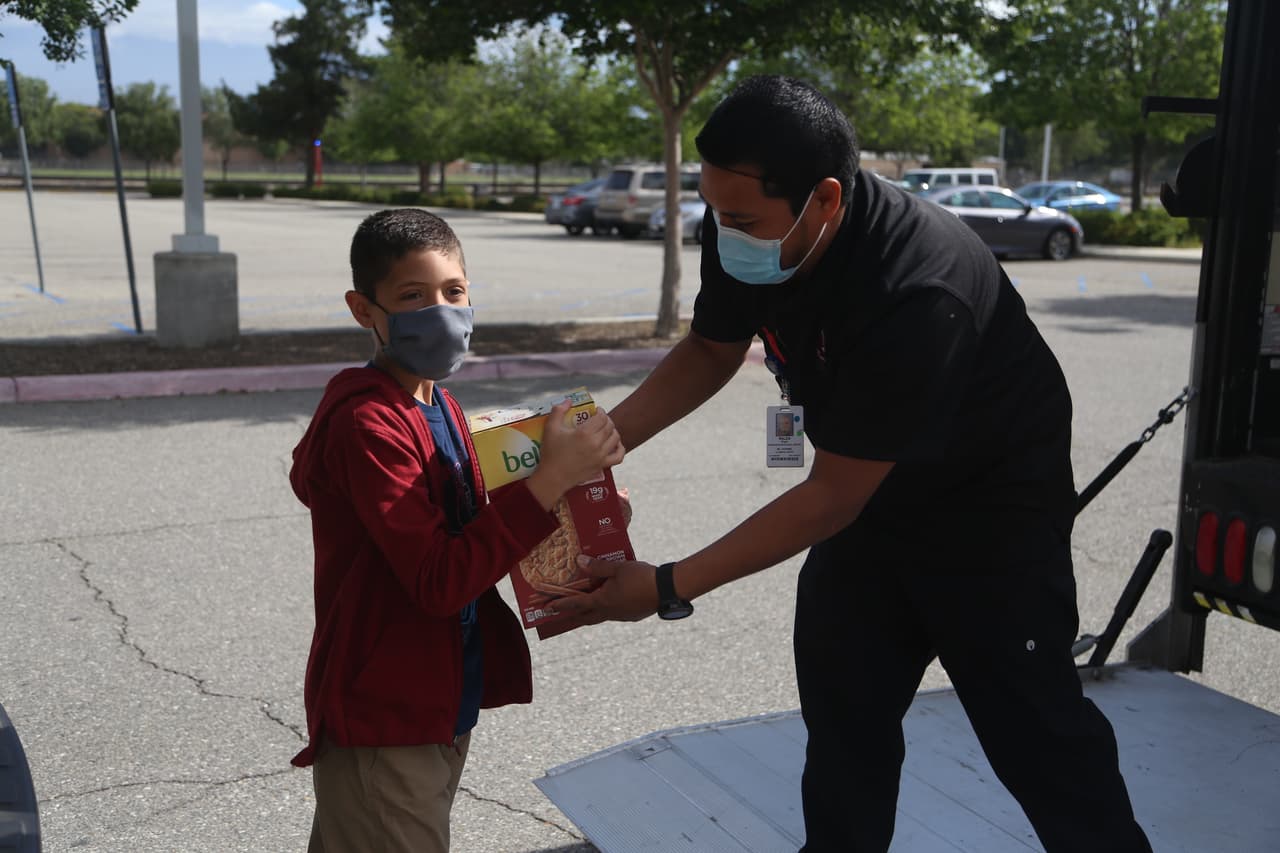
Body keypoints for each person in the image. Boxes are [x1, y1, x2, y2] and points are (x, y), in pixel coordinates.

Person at [556, 76, 1152, 852]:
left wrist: (665, 586)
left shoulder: (917, 287)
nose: (722, 231)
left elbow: (831, 496)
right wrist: (598, 449)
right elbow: (711, 348)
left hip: (988, 522)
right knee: (843, 722)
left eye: (739, 218)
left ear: (826, 200)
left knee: (1038, 738)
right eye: (715, 211)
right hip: (871, 505)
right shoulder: (752, 226)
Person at [289, 208, 624, 853]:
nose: (440, 311)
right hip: (388, 708)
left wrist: (576, 506)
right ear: (365, 310)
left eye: (454, 292)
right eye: (412, 297)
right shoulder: (368, 425)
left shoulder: (435, 400)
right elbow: (441, 580)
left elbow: (476, 532)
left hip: (442, 693)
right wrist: (547, 483)